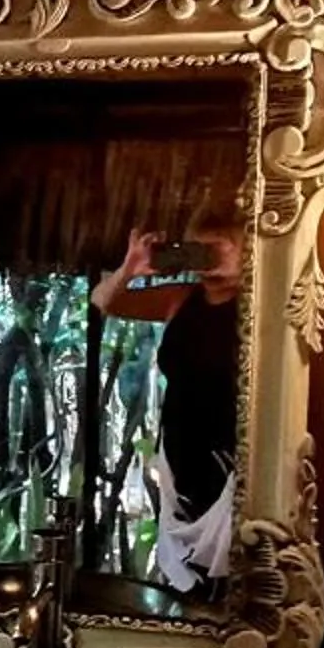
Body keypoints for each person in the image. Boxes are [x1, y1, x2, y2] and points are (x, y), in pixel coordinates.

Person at [90, 203, 244, 590]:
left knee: (231, 580)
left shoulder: (262, 308)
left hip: (232, 466)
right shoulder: (182, 299)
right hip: (179, 462)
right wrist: (130, 268)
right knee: (187, 585)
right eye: (201, 248)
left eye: (223, 247)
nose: (211, 258)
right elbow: (103, 301)